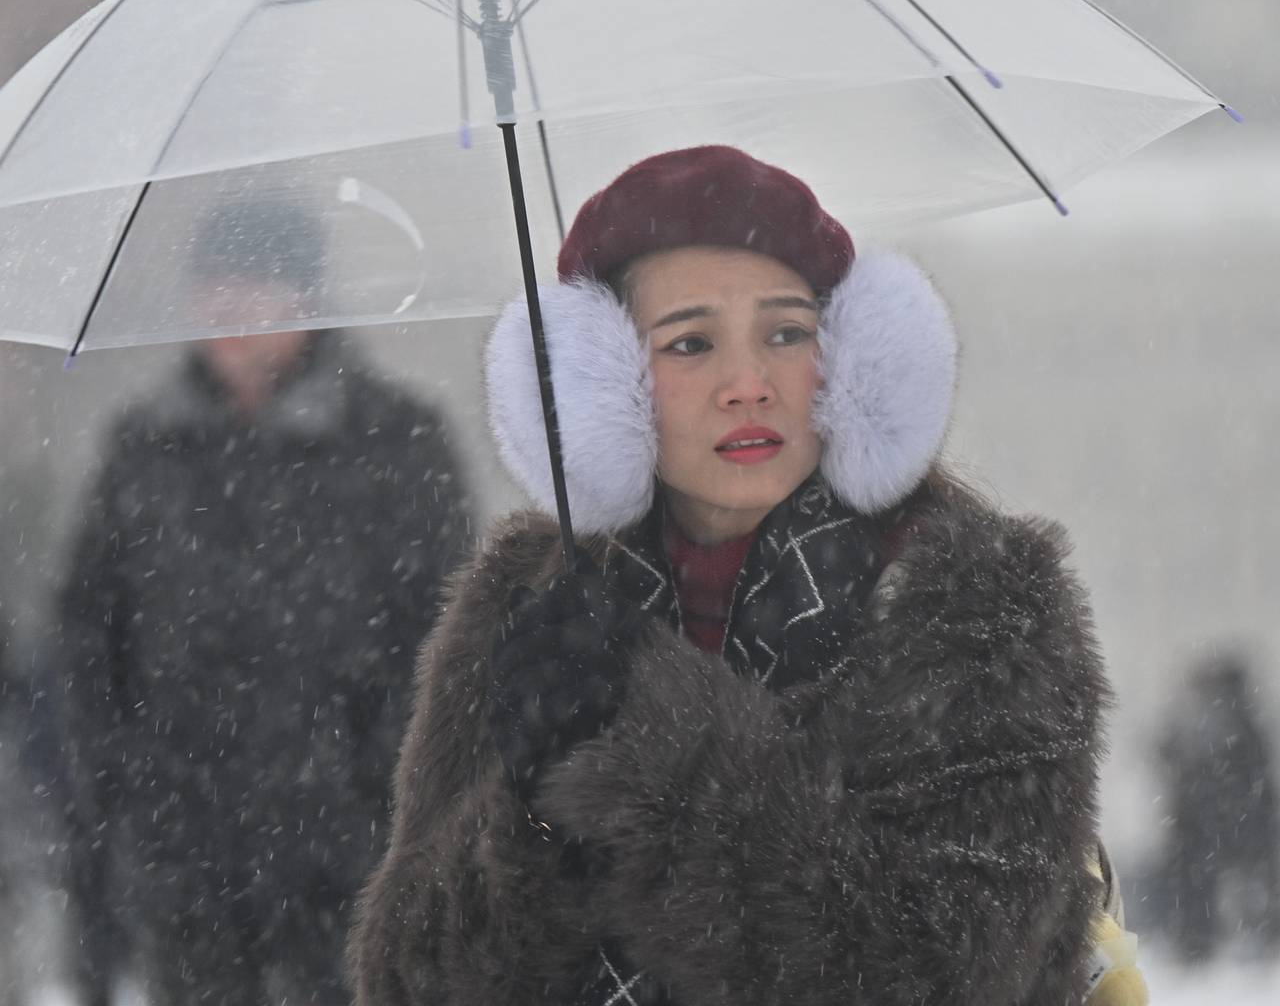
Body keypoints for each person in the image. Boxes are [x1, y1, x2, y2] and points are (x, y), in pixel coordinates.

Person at [352, 145, 1136, 1005]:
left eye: (787, 334)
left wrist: (639, 733)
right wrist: (531, 822)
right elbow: (410, 982)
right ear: (599, 385)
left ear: (849, 359)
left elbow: (939, 974)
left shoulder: (974, 602)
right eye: (690, 343)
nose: (748, 384)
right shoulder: (531, 602)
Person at [55, 198, 471, 1006]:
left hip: (353, 857)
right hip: (185, 857)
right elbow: (90, 637)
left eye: (256, 285)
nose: (230, 309)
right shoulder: (145, 445)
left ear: (306, 297)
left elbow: (446, 636)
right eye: (213, 286)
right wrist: (125, 790)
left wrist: (376, 785)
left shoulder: (397, 439)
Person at [1156, 651, 1280, 961]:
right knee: (1232, 882)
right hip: (1231, 824)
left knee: (1198, 883)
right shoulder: (1239, 719)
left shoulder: (1209, 720)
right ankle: (1210, 940)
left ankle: (1198, 941)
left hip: (1211, 825)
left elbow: (1174, 761)